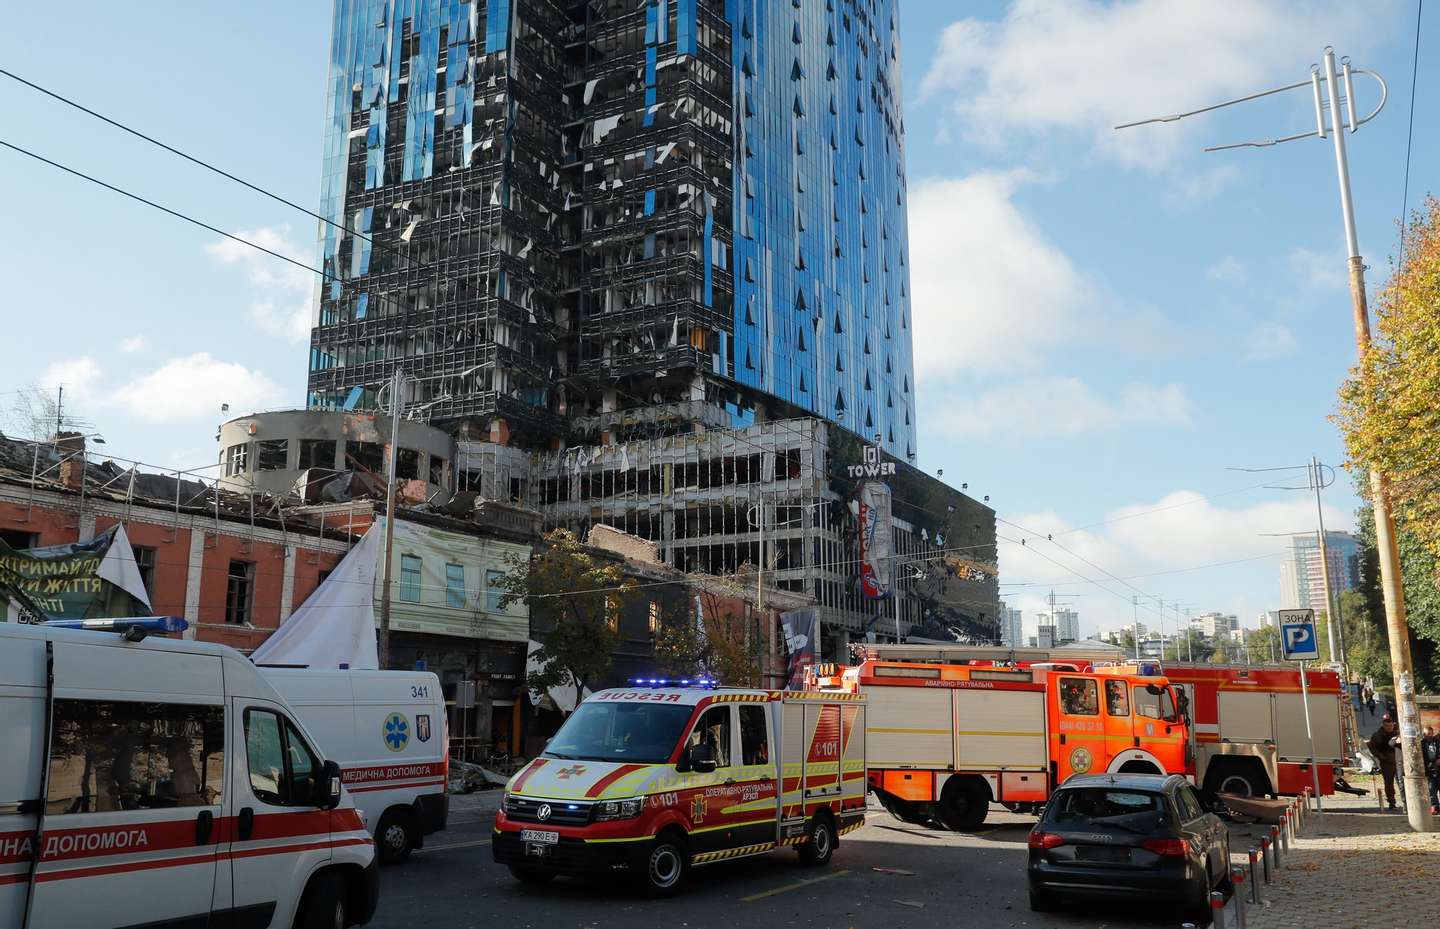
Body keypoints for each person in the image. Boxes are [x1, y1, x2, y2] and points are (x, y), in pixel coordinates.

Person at [1367, 715, 1401, 811]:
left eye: (1391, 726)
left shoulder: (1396, 733)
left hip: (1398, 761)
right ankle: (1391, 802)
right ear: (1383, 725)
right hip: (1386, 762)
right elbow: (1372, 747)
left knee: (1401, 783)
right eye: (1387, 726)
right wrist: (1381, 756)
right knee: (1389, 783)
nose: (1389, 728)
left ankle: (1405, 801)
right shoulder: (1377, 735)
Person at [1422, 724, 1440, 815]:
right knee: (1431, 790)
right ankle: (1435, 807)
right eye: (1426, 734)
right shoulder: (1422, 743)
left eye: (1430, 733)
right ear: (1424, 734)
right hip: (1429, 770)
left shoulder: (1437, 742)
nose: (1429, 735)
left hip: (1438, 768)